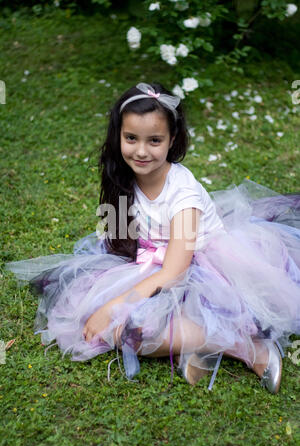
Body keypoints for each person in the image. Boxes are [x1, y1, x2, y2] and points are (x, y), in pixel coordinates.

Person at [6, 82, 300, 394]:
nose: (141, 151)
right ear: (118, 134)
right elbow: (124, 239)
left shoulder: (183, 195)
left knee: (130, 330)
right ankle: (197, 343)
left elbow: (175, 272)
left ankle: (246, 345)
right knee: (110, 326)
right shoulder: (122, 175)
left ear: (172, 140)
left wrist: (114, 305)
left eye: (155, 140)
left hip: (201, 270)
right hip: (153, 266)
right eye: (131, 138)